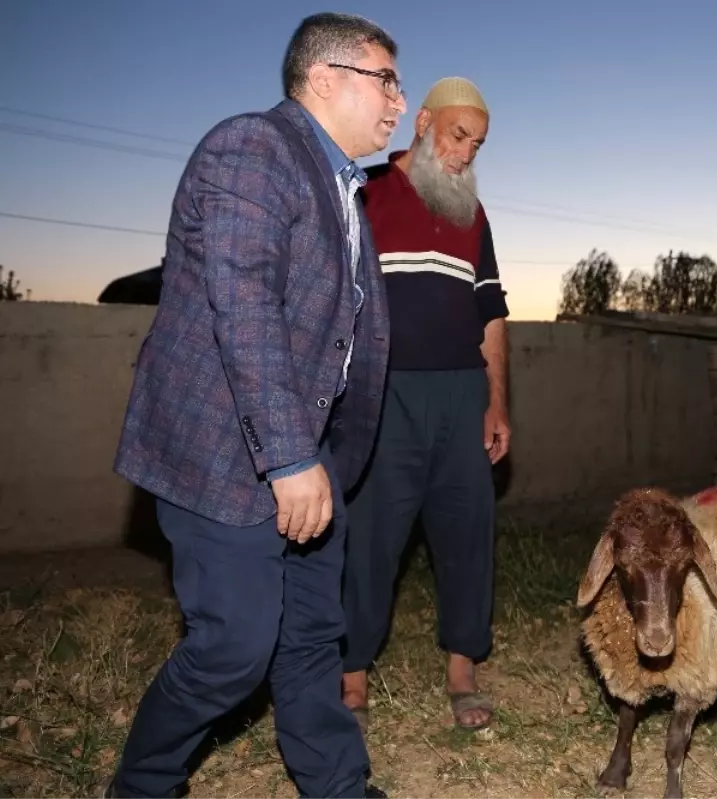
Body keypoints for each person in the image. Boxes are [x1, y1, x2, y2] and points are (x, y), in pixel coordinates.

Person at [104, 13, 406, 799]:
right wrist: (290, 455)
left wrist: (327, 456)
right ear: (325, 79)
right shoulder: (253, 148)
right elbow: (244, 305)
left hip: (311, 453)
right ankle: (140, 786)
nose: (398, 103)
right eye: (386, 80)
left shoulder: (347, 190)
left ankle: (337, 785)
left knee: (311, 635)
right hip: (225, 451)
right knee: (234, 647)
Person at [340, 77, 511, 733]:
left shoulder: (475, 214)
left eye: (477, 144)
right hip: (388, 393)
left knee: (469, 531)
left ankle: (463, 670)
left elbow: (491, 312)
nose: (466, 153)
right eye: (457, 136)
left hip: (463, 391)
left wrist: (497, 401)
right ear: (423, 122)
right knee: (372, 535)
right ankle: (351, 673)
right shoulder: (367, 195)